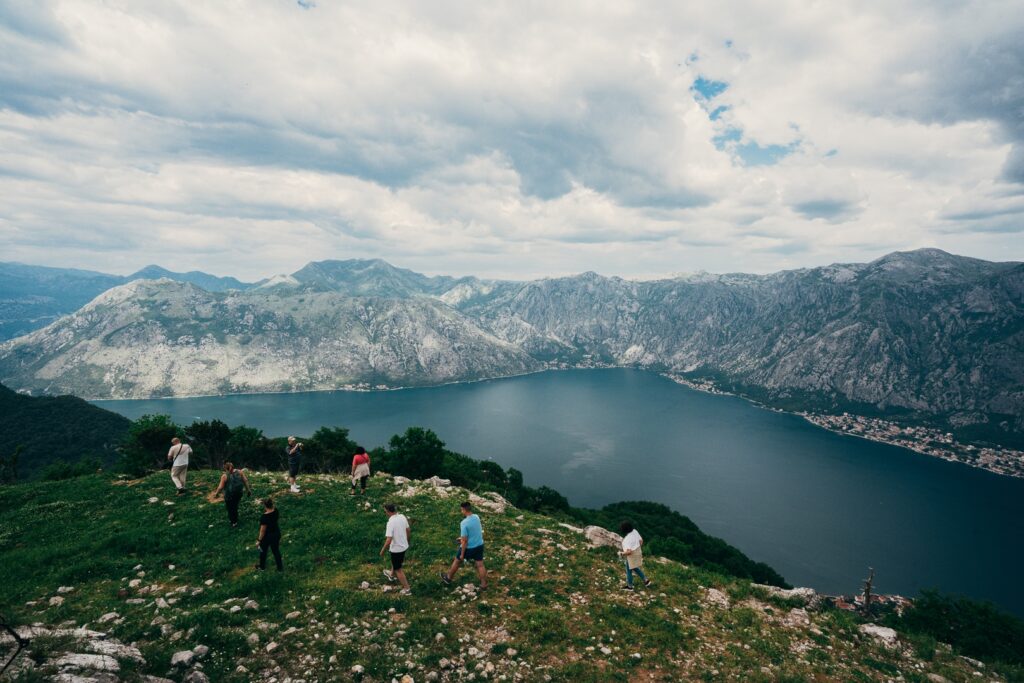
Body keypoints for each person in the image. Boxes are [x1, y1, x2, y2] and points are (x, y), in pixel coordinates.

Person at [439, 501, 487, 589]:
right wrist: (461, 538)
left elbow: (465, 541)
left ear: (464, 510)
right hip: (479, 545)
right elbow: (474, 531)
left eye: (461, 510)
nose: (461, 511)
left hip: (469, 547)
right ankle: (483, 584)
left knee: (457, 561)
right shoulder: (476, 517)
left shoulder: (464, 523)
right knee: (480, 565)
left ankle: (448, 578)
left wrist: (462, 554)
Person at [379, 503, 411, 595]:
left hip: (396, 549)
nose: (385, 513)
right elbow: (408, 530)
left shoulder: (390, 523)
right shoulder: (402, 516)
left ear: (388, 512)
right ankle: (391, 575)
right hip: (404, 546)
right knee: (397, 562)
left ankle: (407, 589)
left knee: (398, 569)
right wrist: (407, 541)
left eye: (385, 511)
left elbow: (389, 540)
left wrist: (382, 551)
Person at [213, 462, 252, 527]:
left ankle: (234, 522)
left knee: (230, 508)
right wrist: (248, 490)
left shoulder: (224, 476)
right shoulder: (240, 472)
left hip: (229, 495)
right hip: (239, 493)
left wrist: (216, 493)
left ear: (225, 468)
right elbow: (245, 481)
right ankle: (235, 519)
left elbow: (220, 487)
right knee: (235, 506)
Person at [619, 521, 652, 590]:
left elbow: (629, 552)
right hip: (638, 551)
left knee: (629, 569)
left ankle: (630, 586)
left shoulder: (626, 540)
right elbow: (641, 541)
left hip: (632, 555)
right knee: (634, 567)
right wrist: (636, 547)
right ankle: (646, 581)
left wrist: (621, 553)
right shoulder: (634, 531)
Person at [255, 498, 283, 571]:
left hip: (267, 536)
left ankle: (262, 567)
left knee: (263, 551)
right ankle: (280, 568)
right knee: (276, 551)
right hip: (276, 533)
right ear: (272, 504)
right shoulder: (276, 511)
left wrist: (259, 540)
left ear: (265, 506)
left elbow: (262, 531)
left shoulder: (264, 517)